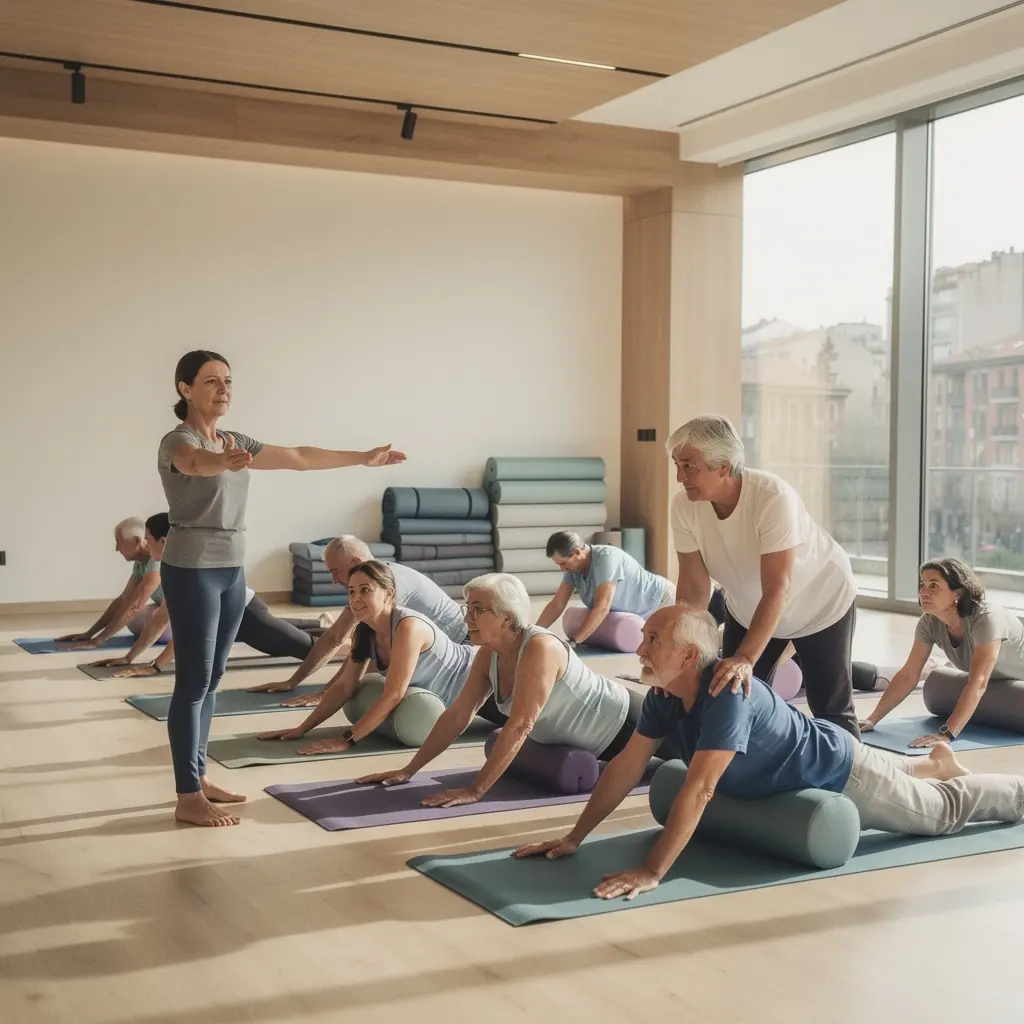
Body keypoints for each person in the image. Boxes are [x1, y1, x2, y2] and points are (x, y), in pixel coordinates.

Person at [515, 605, 1024, 901]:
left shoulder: (725, 696)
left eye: (652, 639)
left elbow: (702, 786)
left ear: (690, 655)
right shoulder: (664, 696)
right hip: (821, 750)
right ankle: (933, 766)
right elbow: (626, 766)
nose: (640, 649)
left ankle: (1013, 791)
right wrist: (573, 837)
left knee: (940, 812)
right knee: (916, 788)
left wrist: (651, 872)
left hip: (842, 773)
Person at [158, 349, 405, 827]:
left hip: (232, 568)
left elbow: (298, 456)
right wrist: (222, 462)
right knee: (192, 682)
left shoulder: (235, 440)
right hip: (191, 569)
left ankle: (198, 774)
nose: (224, 388)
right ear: (185, 389)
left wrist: (362, 458)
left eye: (228, 380)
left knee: (212, 679)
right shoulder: (178, 441)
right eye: (211, 381)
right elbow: (195, 464)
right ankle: (187, 795)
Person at [355, 573, 673, 806]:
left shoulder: (540, 648)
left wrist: (476, 791)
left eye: (478, 609)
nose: (467, 617)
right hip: (605, 740)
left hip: (629, 725)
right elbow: (457, 715)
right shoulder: (487, 655)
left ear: (507, 617)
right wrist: (409, 770)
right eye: (467, 607)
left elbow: (521, 725)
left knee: (698, 763)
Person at [668, 414, 860, 738]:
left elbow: (777, 589)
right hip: (747, 606)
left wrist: (744, 657)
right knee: (728, 694)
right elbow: (693, 585)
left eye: (689, 466)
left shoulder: (772, 497)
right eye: (676, 465)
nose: (679, 476)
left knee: (830, 709)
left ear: (724, 465)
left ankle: (859, 783)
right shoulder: (685, 506)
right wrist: (683, 649)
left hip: (819, 603)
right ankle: (744, 779)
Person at [257, 561, 480, 753]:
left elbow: (394, 695)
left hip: (485, 677)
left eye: (365, 590)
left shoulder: (408, 627)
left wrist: (346, 740)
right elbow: (344, 686)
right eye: (351, 591)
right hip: (467, 696)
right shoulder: (364, 631)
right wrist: (302, 729)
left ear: (389, 593)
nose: (356, 598)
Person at [107, 513, 337, 678]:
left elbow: (189, 630)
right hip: (239, 620)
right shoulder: (172, 567)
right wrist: (130, 657)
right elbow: (162, 618)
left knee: (312, 651)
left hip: (248, 615)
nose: (145, 544)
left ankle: (360, 648)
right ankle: (333, 629)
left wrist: (156, 666)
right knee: (284, 644)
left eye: (148, 538)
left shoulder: (188, 571)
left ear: (164, 541)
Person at [246, 534, 469, 705]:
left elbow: (364, 653)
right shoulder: (367, 584)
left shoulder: (387, 585)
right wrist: (292, 682)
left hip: (464, 650)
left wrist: (328, 693)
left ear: (355, 562)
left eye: (335, 571)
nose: (334, 580)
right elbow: (334, 636)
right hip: (433, 652)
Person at [859, 558, 1024, 746]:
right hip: (998, 681)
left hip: (1008, 682)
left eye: (934, 586)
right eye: (923, 585)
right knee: (936, 686)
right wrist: (872, 719)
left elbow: (978, 683)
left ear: (958, 593)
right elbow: (908, 675)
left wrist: (946, 734)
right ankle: (939, 667)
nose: (923, 592)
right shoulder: (929, 622)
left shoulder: (987, 619)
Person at [536, 532, 675, 644]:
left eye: (563, 563)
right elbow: (557, 604)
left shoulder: (606, 559)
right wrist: (534, 633)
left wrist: (574, 641)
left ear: (577, 552)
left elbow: (602, 607)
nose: (561, 568)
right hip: (638, 612)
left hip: (661, 601)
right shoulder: (573, 570)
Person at [55, 517, 163, 650]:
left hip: (181, 618)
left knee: (144, 614)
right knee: (134, 618)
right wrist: (90, 634)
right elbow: (124, 599)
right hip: (166, 611)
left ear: (137, 541)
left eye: (119, 542)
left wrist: (97, 641)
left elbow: (135, 605)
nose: (117, 548)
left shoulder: (156, 560)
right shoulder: (140, 564)